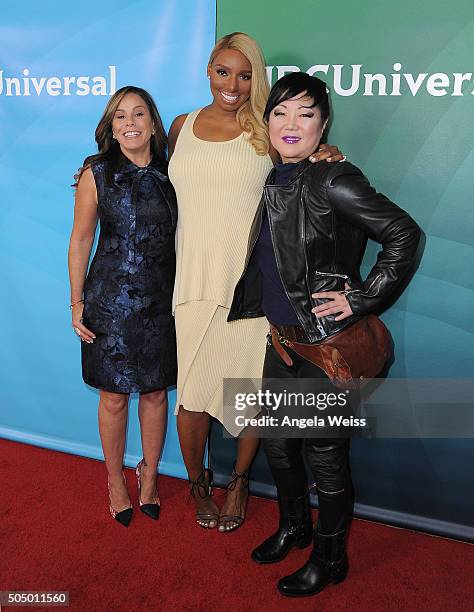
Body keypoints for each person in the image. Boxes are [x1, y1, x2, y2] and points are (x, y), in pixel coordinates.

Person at [228, 71, 421, 596]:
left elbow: (404, 233)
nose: (291, 125)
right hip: (282, 340)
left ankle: (331, 558)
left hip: (323, 347)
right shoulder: (279, 174)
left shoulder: (333, 178)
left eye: (305, 114)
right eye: (281, 113)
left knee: (324, 459)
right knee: (279, 446)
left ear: (323, 123)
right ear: (267, 122)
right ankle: (294, 526)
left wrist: (358, 299)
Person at [167, 32, 344, 532]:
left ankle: (239, 481)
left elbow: (300, 167)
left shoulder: (265, 134)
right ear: (208, 70)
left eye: (246, 75)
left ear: (257, 80)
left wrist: (325, 152)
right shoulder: (182, 126)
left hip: (250, 288)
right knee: (192, 396)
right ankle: (198, 482)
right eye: (223, 71)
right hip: (192, 283)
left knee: (248, 397)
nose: (233, 84)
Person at [68, 86, 177, 527]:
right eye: (119, 117)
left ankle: (149, 475)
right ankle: (115, 479)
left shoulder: (175, 171)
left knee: (154, 393)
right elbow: (80, 240)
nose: (129, 123)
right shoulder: (97, 172)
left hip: (162, 301)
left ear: (152, 121)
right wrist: (76, 302)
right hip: (109, 302)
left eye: (137, 114)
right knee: (113, 398)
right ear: (111, 128)